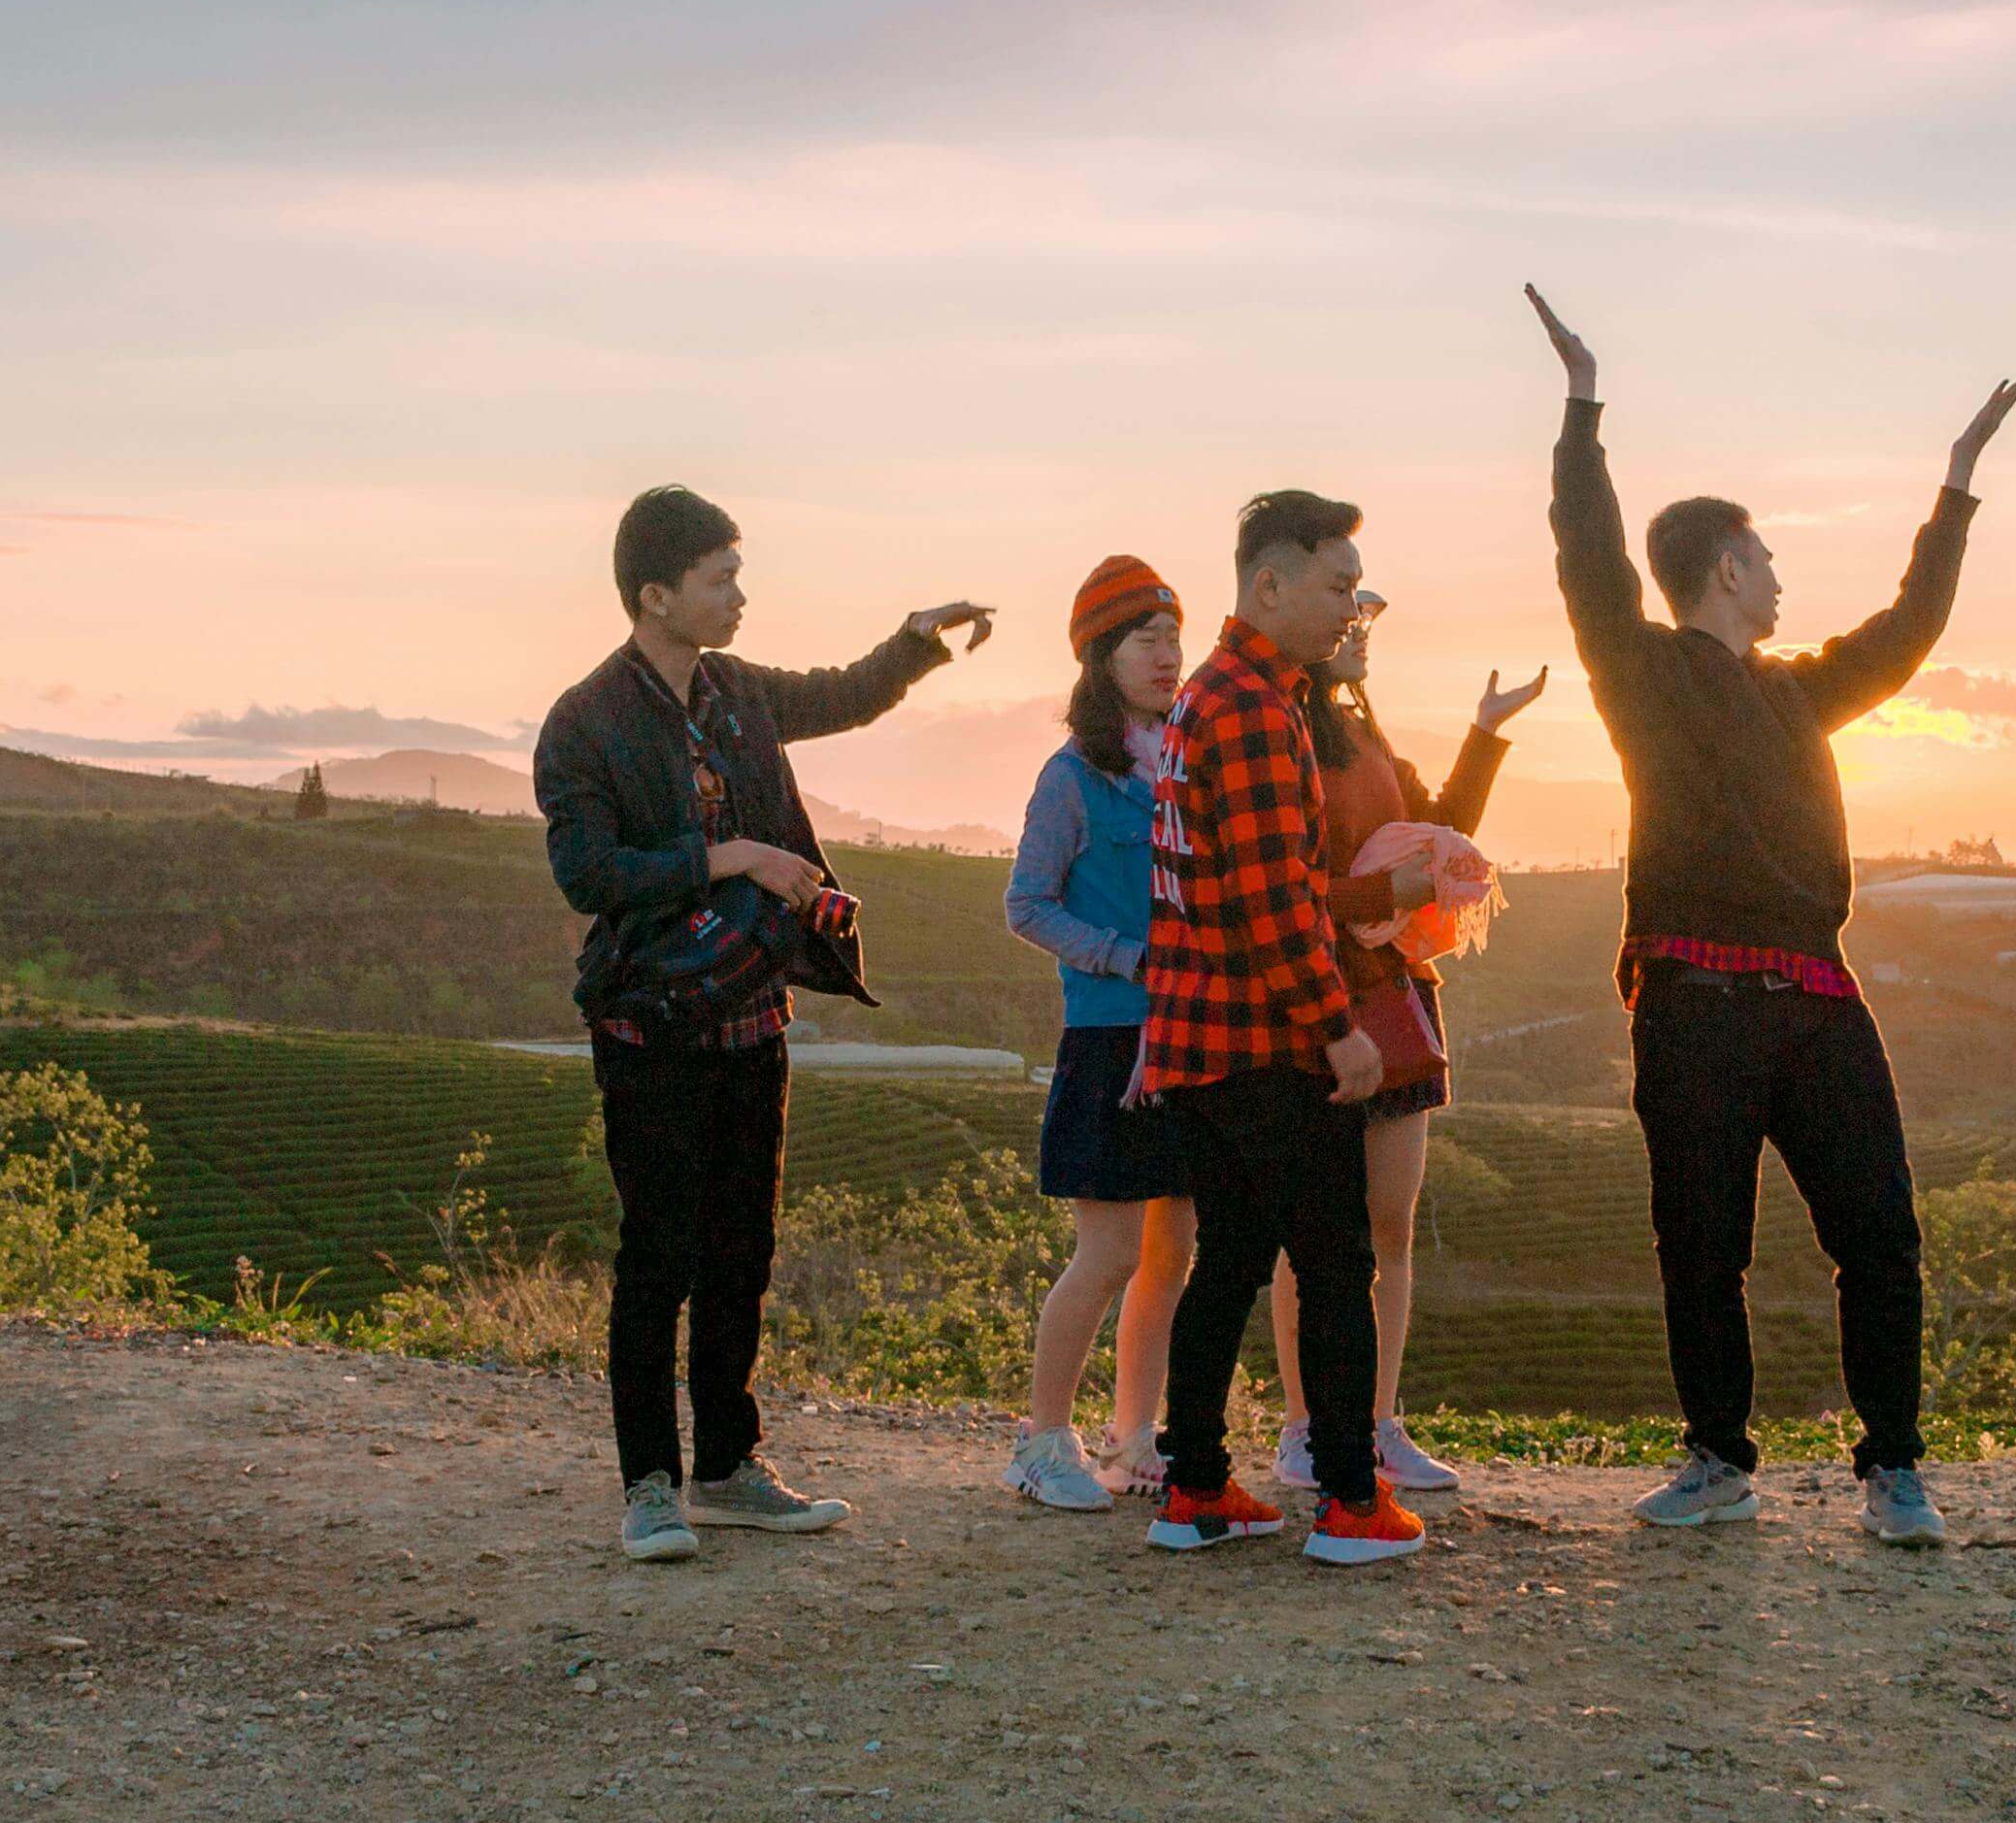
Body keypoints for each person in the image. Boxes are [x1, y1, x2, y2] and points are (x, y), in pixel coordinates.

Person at [1527, 285, 2016, 1548]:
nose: (1778, 576)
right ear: (1721, 569)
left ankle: (1893, 1465)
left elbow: (1912, 628)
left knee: (1880, 1232)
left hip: (1815, 991)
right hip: (1691, 997)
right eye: (1763, 556)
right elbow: (1588, 561)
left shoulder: (1800, 693)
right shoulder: (1640, 670)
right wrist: (1582, 411)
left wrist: (1959, 480)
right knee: (1701, 1244)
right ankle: (1717, 1458)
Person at [534, 482, 995, 1564]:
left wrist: (913, 643)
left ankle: (729, 1469)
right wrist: (732, 856)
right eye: (720, 578)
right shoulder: (585, 719)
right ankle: (649, 1483)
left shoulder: (738, 692)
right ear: (655, 594)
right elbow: (584, 870)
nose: (740, 595)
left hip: (750, 1013)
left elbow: (842, 695)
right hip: (647, 1024)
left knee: (742, 1246)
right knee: (659, 1254)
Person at [1134, 490, 1425, 1568]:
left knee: (1229, 1261)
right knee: (1335, 1261)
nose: (1350, 607)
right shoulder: (1255, 711)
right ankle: (1350, 1501)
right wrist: (1337, 1028)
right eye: (1338, 586)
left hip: (1194, 1038)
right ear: (1269, 584)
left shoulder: (1209, 696)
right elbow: (1272, 900)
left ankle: (1196, 1486)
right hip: (1260, 1042)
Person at [1261, 594, 1545, 1499]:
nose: (1358, 632)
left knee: (1391, 1225)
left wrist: (1485, 734)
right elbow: (1290, 890)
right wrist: (1379, 893)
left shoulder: (1372, 744)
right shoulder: (1283, 744)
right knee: (1309, 1233)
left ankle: (1381, 1422)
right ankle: (1305, 1428)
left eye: (1368, 619)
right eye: (1345, 615)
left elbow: (1442, 830)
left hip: (1396, 999)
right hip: (1315, 1002)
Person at [999, 556, 1199, 1512]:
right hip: (1111, 1040)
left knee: (1172, 1252)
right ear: (1098, 656)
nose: (1166, 656)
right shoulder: (1073, 777)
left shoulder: (1184, 765)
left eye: (1172, 637)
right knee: (1109, 1253)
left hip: (1188, 1038)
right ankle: (1043, 1442)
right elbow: (1026, 905)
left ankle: (1135, 1437)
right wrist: (1124, 956)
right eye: (1143, 640)